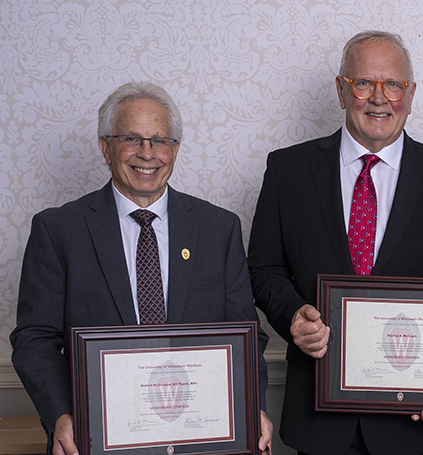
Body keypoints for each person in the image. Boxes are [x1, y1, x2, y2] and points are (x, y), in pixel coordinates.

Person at [247, 30, 423, 455]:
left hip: (416, 422)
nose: (380, 98)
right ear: (341, 91)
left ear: (409, 95)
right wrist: (292, 317)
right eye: (364, 83)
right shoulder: (288, 171)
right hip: (319, 422)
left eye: (393, 85)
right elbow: (263, 268)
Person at [10, 81, 272, 455]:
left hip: (200, 435)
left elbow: (247, 335)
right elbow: (35, 338)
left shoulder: (218, 229)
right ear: (105, 147)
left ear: (175, 149)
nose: (147, 153)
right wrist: (60, 414)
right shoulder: (58, 230)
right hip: (97, 434)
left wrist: (253, 405)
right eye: (131, 138)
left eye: (160, 140)